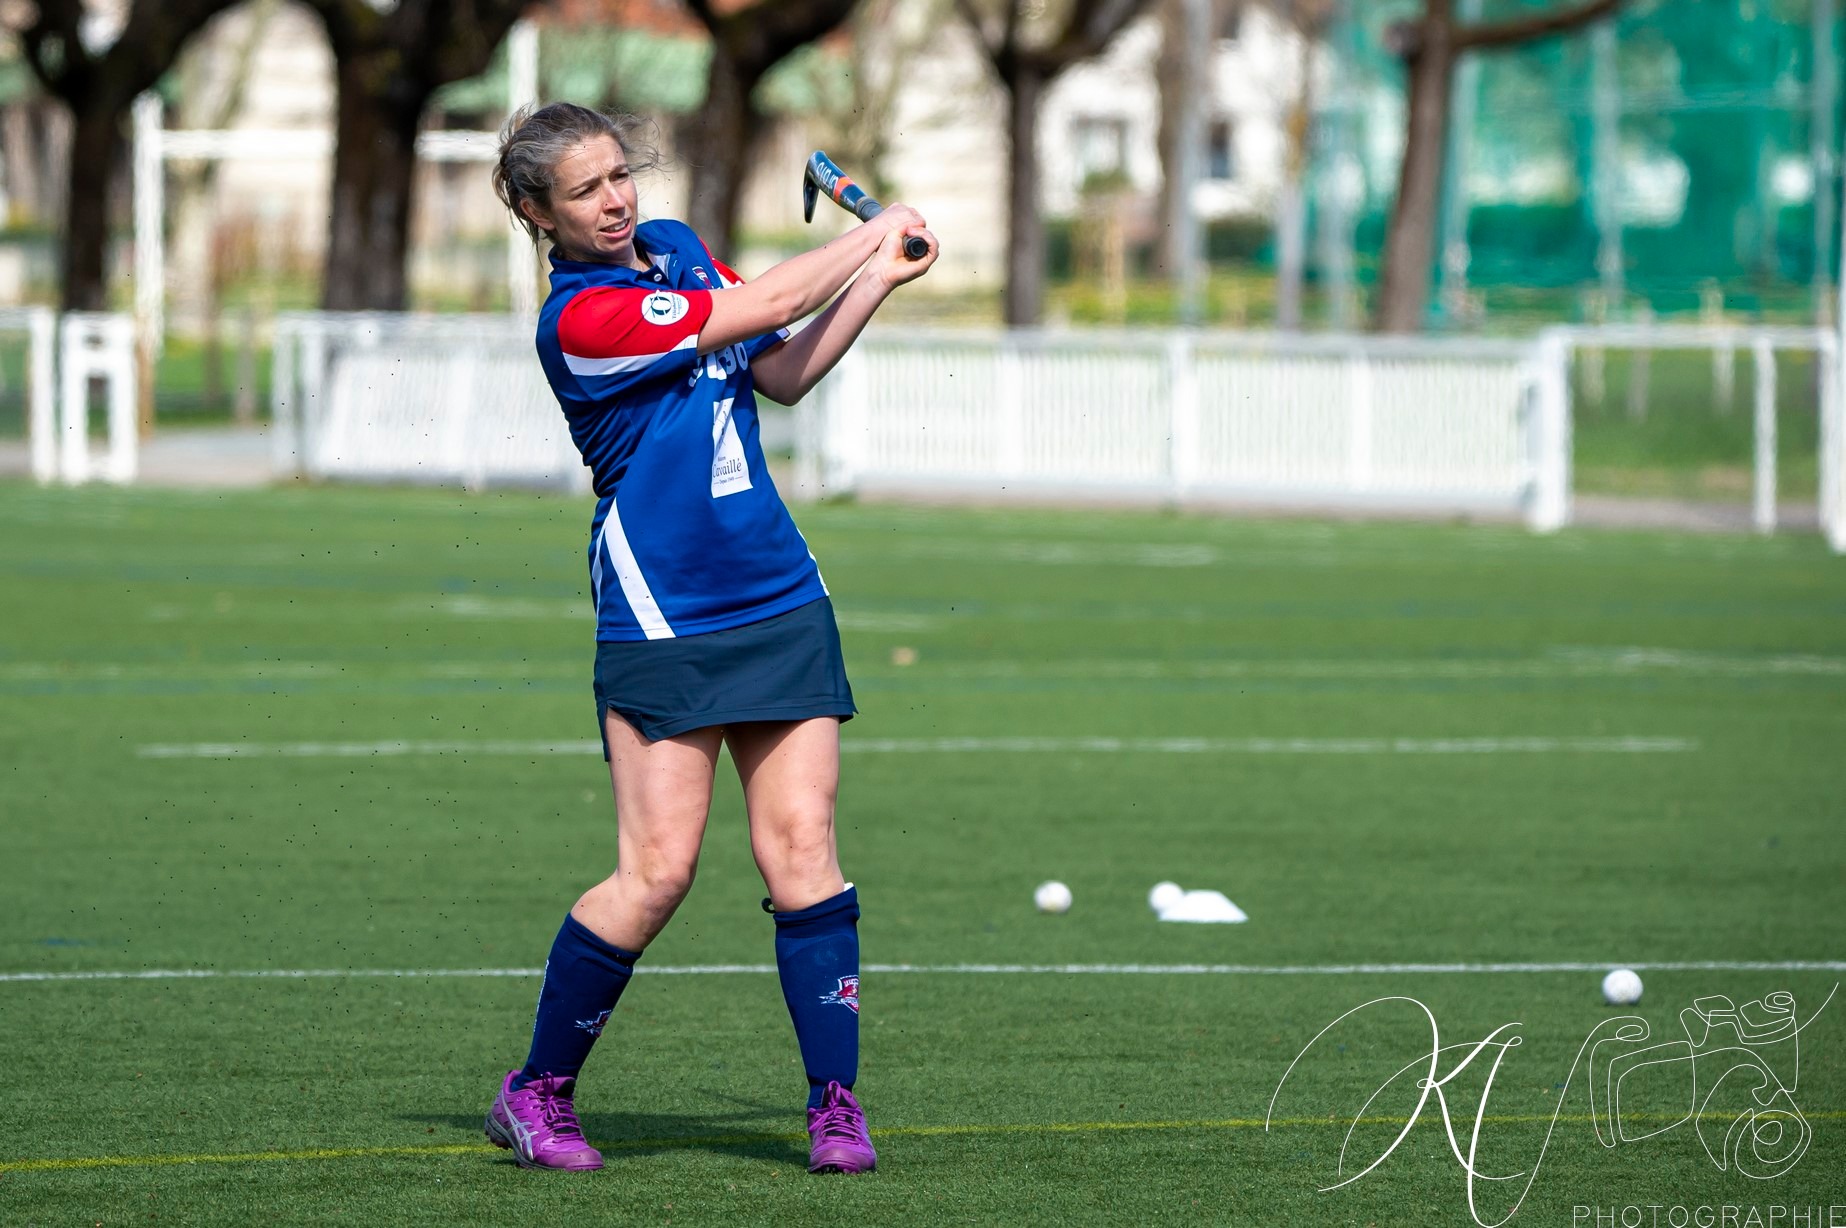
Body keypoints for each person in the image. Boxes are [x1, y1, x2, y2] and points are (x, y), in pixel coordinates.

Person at [483, 102, 937, 1177]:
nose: (615, 200)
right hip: (662, 610)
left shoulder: (677, 248)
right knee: (655, 873)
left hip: (775, 590)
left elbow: (775, 367)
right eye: (585, 190)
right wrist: (868, 233)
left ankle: (834, 1103)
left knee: (803, 855)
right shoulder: (579, 320)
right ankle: (534, 1090)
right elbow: (765, 300)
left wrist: (876, 278)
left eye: (618, 176)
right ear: (535, 211)